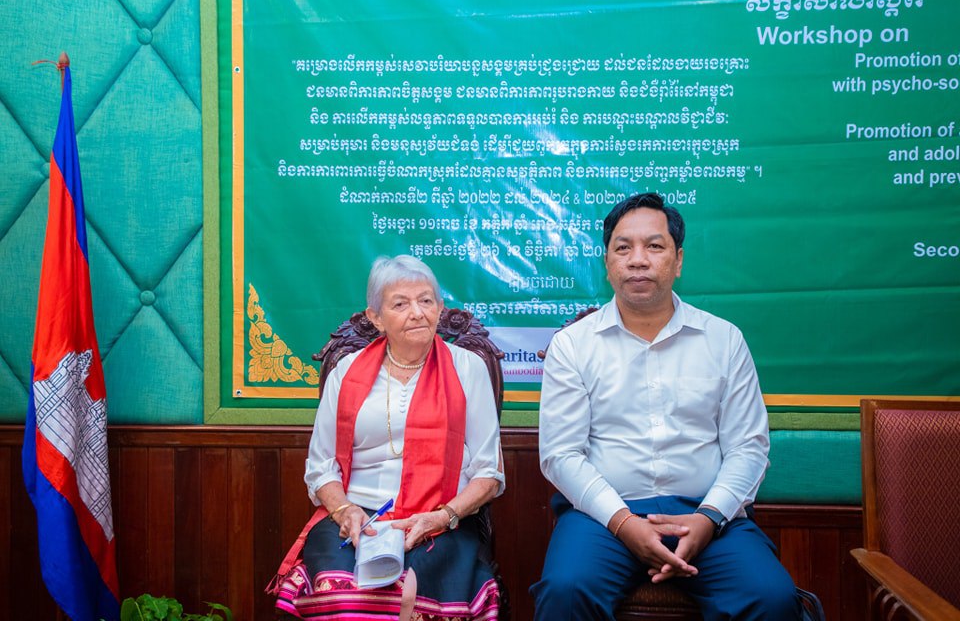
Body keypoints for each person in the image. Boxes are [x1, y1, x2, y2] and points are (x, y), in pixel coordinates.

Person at [531, 193, 801, 620]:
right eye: (623, 248)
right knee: (566, 590)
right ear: (607, 263)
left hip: (706, 513)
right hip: (604, 517)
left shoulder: (723, 340)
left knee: (771, 596)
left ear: (678, 261)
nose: (638, 260)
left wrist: (709, 518)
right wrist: (624, 523)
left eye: (654, 246)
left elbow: (748, 448)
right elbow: (561, 454)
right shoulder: (573, 345)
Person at [271, 255, 504, 621]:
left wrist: (443, 516)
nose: (417, 313)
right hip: (356, 519)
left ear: (440, 308)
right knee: (344, 598)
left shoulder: (467, 368)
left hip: (439, 518)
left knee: (409, 598)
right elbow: (320, 467)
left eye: (426, 300)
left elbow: (488, 474)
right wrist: (345, 510)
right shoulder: (346, 371)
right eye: (400, 304)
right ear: (376, 317)